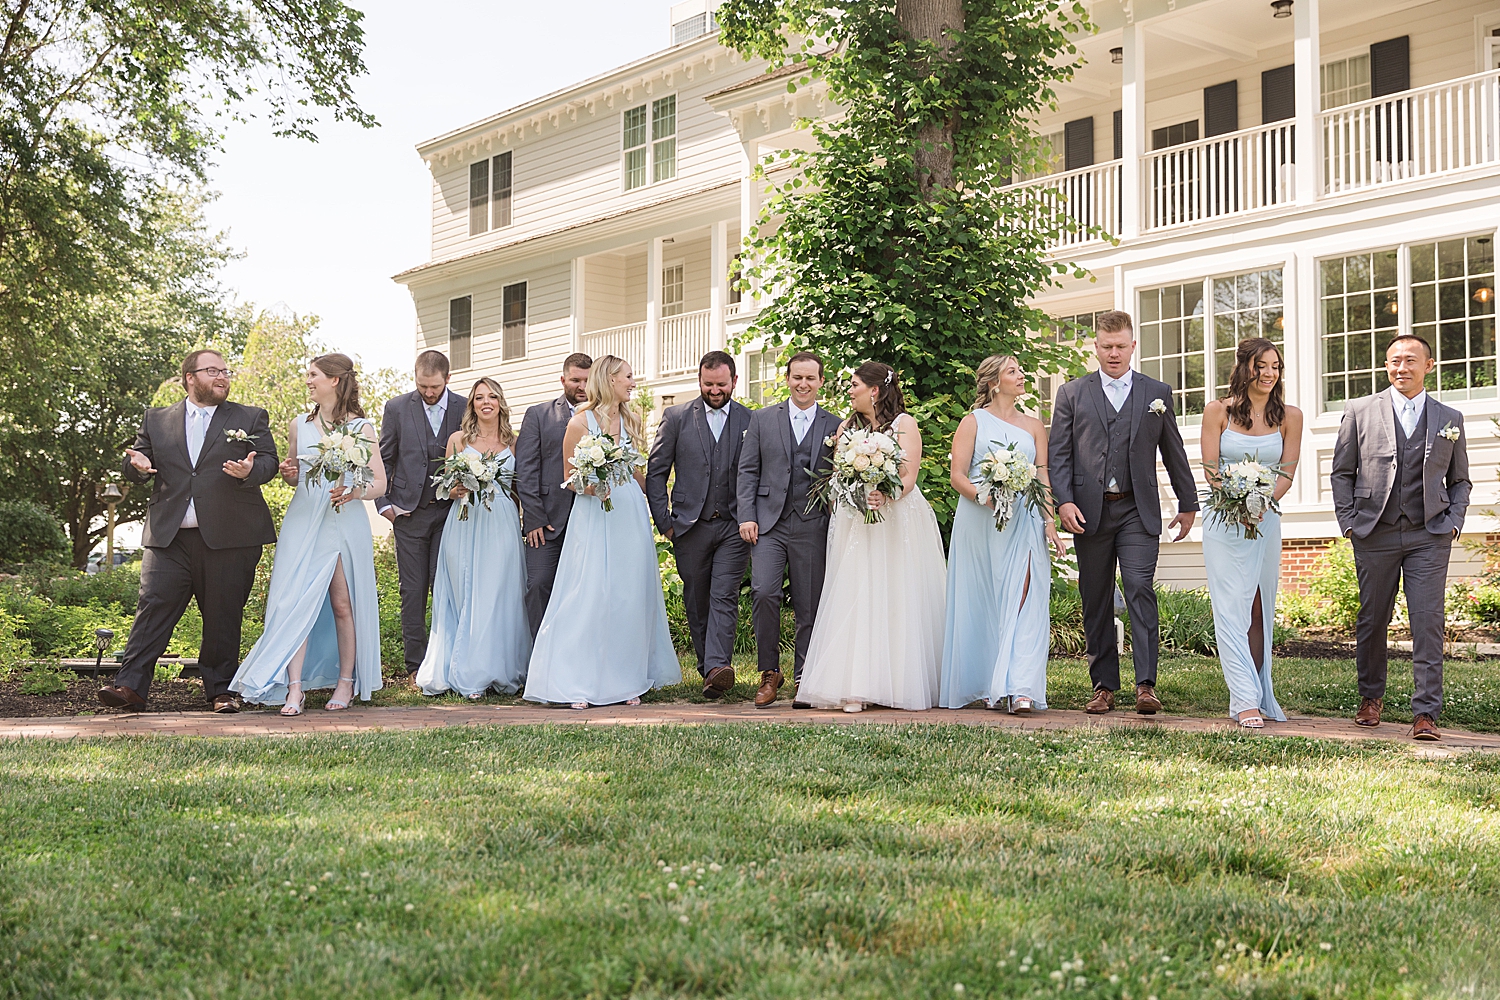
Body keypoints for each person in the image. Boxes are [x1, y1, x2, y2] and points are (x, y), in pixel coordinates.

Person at [99, 350, 279, 713]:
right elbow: (135, 462)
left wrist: (250, 473)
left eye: (225, 371)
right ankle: (130, 687)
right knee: (153, 608)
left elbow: (270, 462)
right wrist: (135, 466)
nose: (222, 377)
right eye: (212, 371)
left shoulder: (249, 417)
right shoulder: (157, 419)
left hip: (230, 537)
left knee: (223, 614)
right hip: (170, 538)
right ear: (190, 377)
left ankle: (221, 692)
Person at [1048, 310, 1199, 716]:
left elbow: (1174, 452)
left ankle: (1145, 685)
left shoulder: (1157, 392)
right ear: (1096, 347)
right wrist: (1062, 501)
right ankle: (1103, 687)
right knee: (1095, 597)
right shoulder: (1072, 393)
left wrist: (1188, 505)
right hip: (1090, 512)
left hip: (1137, 510)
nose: (1114, 353)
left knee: (1138, 587)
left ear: (1133, 346)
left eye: (1121, 346)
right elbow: (1058, 454)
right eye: (1106, 346)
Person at [1331, 334, 1470, 741]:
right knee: (1372, 619)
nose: (1401, 368)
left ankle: (1425, 713)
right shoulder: (1359, 410)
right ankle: (1370, 699)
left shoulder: (1449, 418)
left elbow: (1460, 481)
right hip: (1374, 532)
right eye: (1394, 361)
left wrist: (1454, 522)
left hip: (1431, 533)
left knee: (1427, 622)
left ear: (1429, 366)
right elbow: (1342, 472)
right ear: (1386, 366)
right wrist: (1349, 522)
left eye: (1410, 360)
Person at [230, 354, 387, 714]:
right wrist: (288, 473)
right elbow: (295, 474)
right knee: (293, 602)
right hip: (304, 518)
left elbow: (379, 483)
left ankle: (346, 682)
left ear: (334, 380)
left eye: (313, 374)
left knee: (343, 603)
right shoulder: (298, 424)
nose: (307, 380)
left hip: (344, 518)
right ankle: (294, 689)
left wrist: (353, 492)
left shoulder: (361, 428)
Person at [523, 355, 679, 709]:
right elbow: (570, 479)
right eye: (628, 376)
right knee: (589, 594)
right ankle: (575, 680)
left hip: (629, 515)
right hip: (595, 516)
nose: (633, 383)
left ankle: (624, 680)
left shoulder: (630, 419)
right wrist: (598, 483)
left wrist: (653, 494)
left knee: (626, 595)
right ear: (610, 380)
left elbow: (637, 472)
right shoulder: (580, 423)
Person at [797, 362, 947, 712]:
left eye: (854, 385)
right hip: (857, 523)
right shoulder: (846, 427)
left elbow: (908, 476)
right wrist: (853, 493)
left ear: (874, 390)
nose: (849, 391)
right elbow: (837, 475)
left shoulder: (904, 425)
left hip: (899, 521)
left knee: (897, 595)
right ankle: (855, 686)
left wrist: (885, 494)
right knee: (857, 593)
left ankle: (899, 681)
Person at [940, 355, 1066, 712]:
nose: (1022, 375)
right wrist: (985, 495)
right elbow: (958, 476)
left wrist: (1050, 522)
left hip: (1024, 520)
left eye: (1020, 370)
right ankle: (989, 682)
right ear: (995, 382)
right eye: (1013, 371)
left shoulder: (1034, 426)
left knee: (1026, 594)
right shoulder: (973, 422)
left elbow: (1042, 476)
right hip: (981, 521)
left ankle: (1021, 686)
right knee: (985, 601)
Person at [1200, 338, 1302, 729]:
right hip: (1224, 520)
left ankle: (1259, 692)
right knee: (1231, 608)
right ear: (1244, 368)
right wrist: (1237, 504)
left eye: (1275, 366)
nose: (1268, 373)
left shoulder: (1290, 415)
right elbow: (1211, 469)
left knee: (1260, 607)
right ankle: (1243, 699)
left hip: (1266, 521)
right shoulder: (1217, 411)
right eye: (1261, 365)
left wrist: (1258, 507)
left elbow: (1288, 473)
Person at [737, 351, 843, 709]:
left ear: (820, 382)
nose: (803, 384)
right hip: (769, 522)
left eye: (810, 378)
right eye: (797, 377)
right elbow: (747, 470)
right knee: (764, 592)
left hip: (813, 522)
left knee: (808, 602)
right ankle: (769, 672)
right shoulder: (763, 418)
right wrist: (746, 515)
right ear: (787, 379)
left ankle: (805, 676)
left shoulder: (836, 425)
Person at [415, 377, 532, 699]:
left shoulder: (514, 442)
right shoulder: (458, 440)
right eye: (479, 397)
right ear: (472, 405)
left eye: (492, 396)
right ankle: (466, 669)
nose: (486, 402)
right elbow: (446, 488)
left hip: (502, 522)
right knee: (465, 589)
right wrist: (456, 489)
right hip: (465, 521)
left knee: (499, 593)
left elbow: (522, 488)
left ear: (500, 403)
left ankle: (499, 669)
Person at [646, 351, 752, 698]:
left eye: (721, 384)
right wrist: (665, 523)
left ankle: (717, 666)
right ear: (700, 381)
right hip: (689, 527)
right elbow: (657, 472)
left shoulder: (751, 420)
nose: (715, 390)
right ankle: (710, 669)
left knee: (724, 594)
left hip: (733, 526)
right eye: (708, 384)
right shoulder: (675, 417)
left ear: (734, 381)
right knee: (697, 598)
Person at [375, 350, 467, 674]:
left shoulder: (464, 406)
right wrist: (385, 505)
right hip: (409, 513)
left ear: (448, 378)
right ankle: (416, 665)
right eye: (422, 385)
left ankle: (445, 661)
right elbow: (385, 457)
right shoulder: (397, 408)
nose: (428, 392)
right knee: (411, 591)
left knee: (444, 586)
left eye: (434, 386)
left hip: (450, 513)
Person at [515, 353, 592, 637]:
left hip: (591, 520)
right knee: (538, 585)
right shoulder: (538, 414)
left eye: (586, 379)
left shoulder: (604, 417)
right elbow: (526, 469)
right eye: (575, 380)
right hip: (547, 523)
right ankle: (539, 661)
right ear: (563, 380)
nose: (581, 385)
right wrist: (533, 518)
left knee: (584, 591)